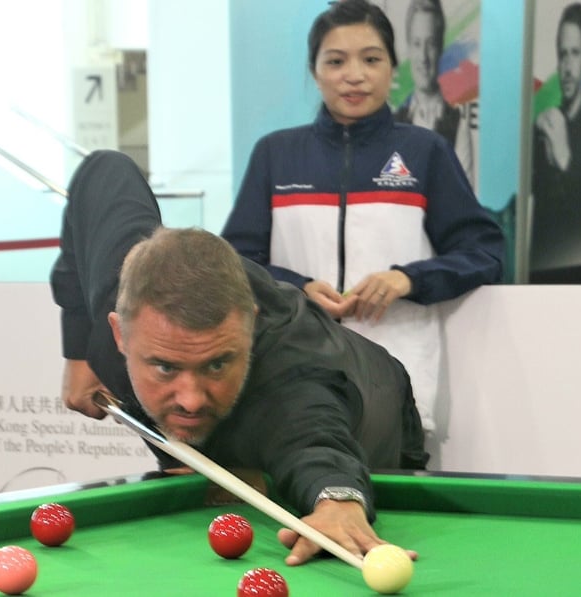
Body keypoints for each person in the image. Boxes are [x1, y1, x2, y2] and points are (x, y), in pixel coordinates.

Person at [52, 150, 429, 566]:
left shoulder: (293, 380)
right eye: (165, 367)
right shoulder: (120, 288)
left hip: (373, 409)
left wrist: (337, 499)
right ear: (119, 333)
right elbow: (103, 170)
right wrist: (77, 354)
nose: (191, 398)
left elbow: (315, 439)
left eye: (216, 364)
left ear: (248, 327)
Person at [220, 0, 503, 433]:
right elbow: (236, 262)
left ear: (392, 69)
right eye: (336, 61)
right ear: (314, 71)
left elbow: (485, 252)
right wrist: (297, 290)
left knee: (389, 494)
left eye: (371, 59)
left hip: (396, 375)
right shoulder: (275, 154)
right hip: (290, 371)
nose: (354, 74)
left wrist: (407, 279)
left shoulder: (426, 152)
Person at [530, 2, 581, 272]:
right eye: (562, 54)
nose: (566, 66)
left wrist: (564, 156)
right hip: (535, 276)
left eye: (574, 54)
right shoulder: (543, 125)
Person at [393, 0, 474, 186]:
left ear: (440, 49)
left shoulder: (458, 126)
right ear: (408, 49)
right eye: (416, 44)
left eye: (430, 44)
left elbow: (463, 205)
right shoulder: (392, 124)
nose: (423, 57)